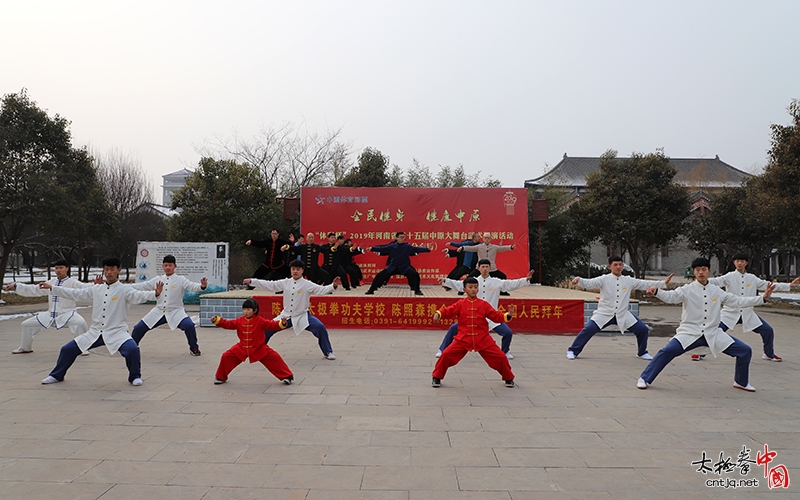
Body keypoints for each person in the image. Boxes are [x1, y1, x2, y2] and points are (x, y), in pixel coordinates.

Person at [638, 257, 776, 392]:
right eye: (697, 270)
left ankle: (741, 381)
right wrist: (657, 291)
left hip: (713, 333)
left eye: (703, 269)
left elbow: (737, 301)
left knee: (745, 351)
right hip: (689, 333)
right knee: (667, 351)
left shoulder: (716, 290)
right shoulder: (687, 289)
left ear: (709, 271)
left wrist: (762, 298)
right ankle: (645, 378)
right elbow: (671, 297)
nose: (701, 272)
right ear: (694, 272)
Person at [39, 257, 162, 386]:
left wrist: (155, 294)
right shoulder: (96, 289)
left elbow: (138, 296)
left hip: (117, 332)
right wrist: (53, 288)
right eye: (106, 269)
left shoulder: (124, 289)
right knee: (67, 349)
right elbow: (75, 293)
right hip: (95, 331)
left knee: (132, 350)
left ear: (118, 270)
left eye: (112, 269)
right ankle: (56, 375)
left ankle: (135, 376)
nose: (109, 272)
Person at [567, 256, 672, 360]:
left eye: (620, 264)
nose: (618, 267)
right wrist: (579, 280)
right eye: (615, 265)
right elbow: (590, 283)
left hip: (622, 313)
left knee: (643, 329)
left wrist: (663, 283)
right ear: (610, 266)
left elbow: (644, 283)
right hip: (604, 313)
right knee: (589, 329)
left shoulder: (628, 280)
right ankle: (573, 350)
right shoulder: (604, 279)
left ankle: (642, 352)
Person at [707, 252, 800, 362]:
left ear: (746, 263)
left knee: (768, 330)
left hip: (748, 313)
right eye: (737, 261)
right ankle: (700, 353)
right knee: (714, 331)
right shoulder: (729, 276)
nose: (739, 263)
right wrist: (701, 279)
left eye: (742, 261)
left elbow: (768, 285)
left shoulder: (752, 278)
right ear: (734, 262)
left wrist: (789, 285)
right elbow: (716, 281)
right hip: (730, 312)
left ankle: (769, 354)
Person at [436, 260, 534, 359]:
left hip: (492, 317)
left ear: (490, 268)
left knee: (507, 333)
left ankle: (505, 351)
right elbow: (459, 284)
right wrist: (446, 281)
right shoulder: (473, 281)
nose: (485, 269)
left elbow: (511, 284)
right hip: (473, 317)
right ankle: (442, 349)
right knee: (453, 328)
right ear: (478, 268)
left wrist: (525, 280)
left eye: (487, 267)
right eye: (482, 267)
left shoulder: (496, 282)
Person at [243, 260, 340, 360]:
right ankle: (258, 351)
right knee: (267, 329)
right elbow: (270, 285)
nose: (295, 271)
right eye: (293, 269)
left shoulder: (307, 284)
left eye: (298, 269)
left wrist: (333, 286)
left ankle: (328, 352)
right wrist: (253, 281)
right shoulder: (285, 282)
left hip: (303, 315)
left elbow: (321, 290)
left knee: (320, 327)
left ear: (302, 270)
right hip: (286, 316)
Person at [431, 277, 517, 388]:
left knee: (501, 357)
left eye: (475, 287)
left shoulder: (483, 305)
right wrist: (439, 313)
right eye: (470, 287)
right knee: (446, 355)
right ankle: (436, 377)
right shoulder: (460, 304)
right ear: (465, 289)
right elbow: (449, 310)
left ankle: (509, 378)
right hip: (463, 338)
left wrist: (508, 315)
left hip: (482, 339)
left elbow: (495, 316)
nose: (473, 290)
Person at [4, 259, 91, 354]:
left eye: (61, 268)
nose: (58, 270)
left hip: (68, 313)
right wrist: (16, 286)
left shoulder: (73, 283)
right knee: (26, 325)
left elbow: (85, 288)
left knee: (80, 323)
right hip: (50, 314)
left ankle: (82, 348)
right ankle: (25, 347)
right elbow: (35, 289)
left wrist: (96, 284)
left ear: (67, 269)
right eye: (56, 268)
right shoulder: (51, 281)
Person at [129, 255, 207, 356]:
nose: (168, 267)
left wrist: (202, 286)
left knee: (189, 325)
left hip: (176, 311)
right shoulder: (158, 279)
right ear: (162, 266)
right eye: (166, 265)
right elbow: (142, 286)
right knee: (138, 328)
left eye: (170, 265)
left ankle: (194, 348)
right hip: (159, 310)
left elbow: (192, 286)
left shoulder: (180, 280)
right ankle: (131, 348)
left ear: (175, 266)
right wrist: (122, 287)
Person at [209, 298, 294, 385]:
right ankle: (220, 377)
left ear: (255, 310)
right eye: (244, 309)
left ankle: (287, 376)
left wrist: (282, 324)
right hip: (242, 347)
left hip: (259, 347)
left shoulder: (260, 320)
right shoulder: (239, 321)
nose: (246, 311)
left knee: (274, 357)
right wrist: (217, 320)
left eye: (249, 309)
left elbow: (271, 325)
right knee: (226, 356)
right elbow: (228, 324)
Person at [363, 231, 431, 295]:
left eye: (404, 237)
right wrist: (372, 248)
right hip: (393, 267)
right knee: (379, 276)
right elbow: (382, 248)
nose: (403, 238)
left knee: (415, 275)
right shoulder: (392, 246)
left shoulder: (407, 246)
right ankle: (371, 290)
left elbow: (417, 249)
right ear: (396, 238)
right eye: (401, 237)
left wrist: (427, 249)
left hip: (404, 267)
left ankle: (417, 290)